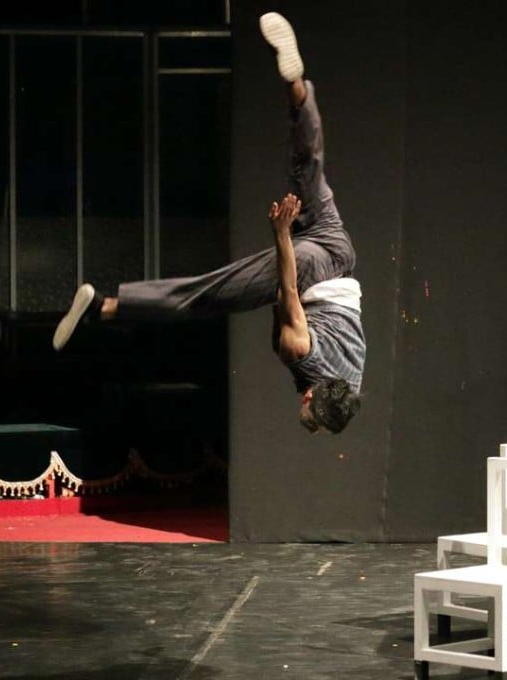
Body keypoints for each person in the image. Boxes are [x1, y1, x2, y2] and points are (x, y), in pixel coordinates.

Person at [52, 11, 365, 434]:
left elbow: (286, 309)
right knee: (205, 295)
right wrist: (281, 235)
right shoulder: (300, 353)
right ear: (311, 394)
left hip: (338, 247)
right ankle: (104, 306)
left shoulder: (351, 384)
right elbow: (287, 290)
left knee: (308, 166)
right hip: (307, 266)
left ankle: (298, 89)